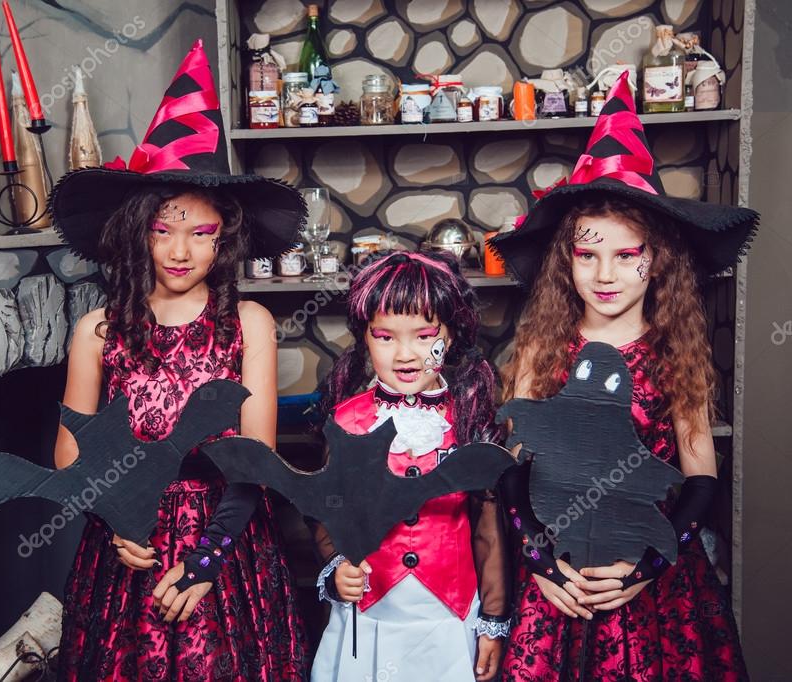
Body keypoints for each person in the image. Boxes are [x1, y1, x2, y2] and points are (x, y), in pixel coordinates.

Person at [49, 40, 308, 680]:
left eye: (201, 232)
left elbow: (258, 461)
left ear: (226, 237)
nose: (181, 250)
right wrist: (117, 520)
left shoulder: (250, 325)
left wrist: (205, 563)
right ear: (137, 229)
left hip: (226, 544)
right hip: (125, 546)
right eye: (164, 229)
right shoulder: (98, 331)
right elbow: (68, 455)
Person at [491, 71, 755, 680]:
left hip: (652, 585)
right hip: (562, 578)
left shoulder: (677, 351)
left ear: (655, 260)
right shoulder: (544, 345)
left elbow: (701, 484)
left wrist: (646, 568)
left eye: (626, 254)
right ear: (567, 261)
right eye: (587, 254)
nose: (605, 273)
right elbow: (510, 473)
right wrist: (541, 563)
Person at [311, 250, 510, 681]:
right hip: (370, 614)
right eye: (385, 337)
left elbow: (488, 528)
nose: (406, 355)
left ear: (451, 335)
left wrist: (492, 620)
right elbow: (327, 511)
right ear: (364, 336)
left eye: (423, 337)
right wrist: (336, 568)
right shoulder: (347, 420)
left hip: (449, 615)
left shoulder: (470, 418)